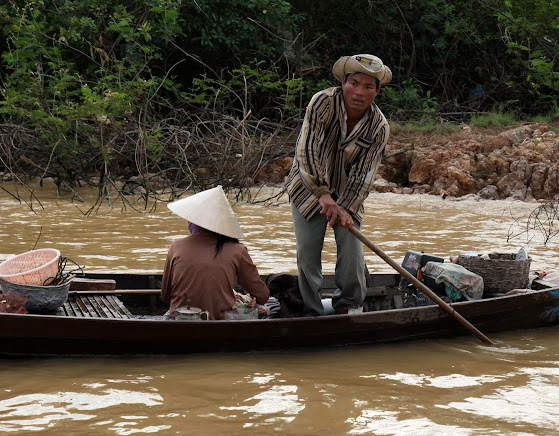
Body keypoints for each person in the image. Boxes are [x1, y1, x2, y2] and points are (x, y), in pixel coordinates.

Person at [285, 53, 392, 316]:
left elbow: (365, 175)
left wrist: (344, 207)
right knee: (308, 252)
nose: (359, 92)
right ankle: (310, 311)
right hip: (307, 188)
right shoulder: (322, 103)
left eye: (368, 86)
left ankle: (349, 306)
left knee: (352, 250)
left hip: (348, 195)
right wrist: (323, 194)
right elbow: (306, 151)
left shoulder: (378, 127)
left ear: (377, 91)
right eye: (354, 83)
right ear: (343, 82)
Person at [161, 185, 269, 320]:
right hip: (220, 325)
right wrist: (247, 300)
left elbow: (166, 296)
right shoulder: (238, 250)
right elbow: (263, 296)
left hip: (182, 321)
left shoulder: (176, 246)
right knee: (273, 304)